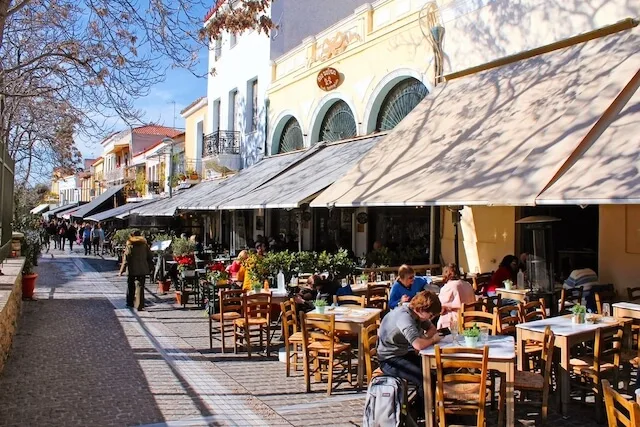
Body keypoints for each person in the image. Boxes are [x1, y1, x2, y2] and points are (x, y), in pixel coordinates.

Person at [377, 290, 442, 414]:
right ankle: (420, 413)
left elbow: (431, 328)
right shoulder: (404, 317)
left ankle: (424, 406)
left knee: (433, 372)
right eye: (432, 315)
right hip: (389, 359)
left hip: (403, 353)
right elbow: (417, 345)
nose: (432, 318)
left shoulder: (415, 312)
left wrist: (423, 339)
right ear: (421, 309)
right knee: (425, 379)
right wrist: (432, 340)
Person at [119, 230, 153, 310]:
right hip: (143, 268)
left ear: (132, 236)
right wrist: (150, 267)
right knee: (140, 286)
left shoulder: (130, 245)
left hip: (132, 269)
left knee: (130, 286)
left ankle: (130, 303)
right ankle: (139, 304)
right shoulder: (144, 245)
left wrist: (121, 270)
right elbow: (150, 257)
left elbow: (126, 259)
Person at [437, 263, 476, 329]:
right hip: (470, 317)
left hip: (456, 320)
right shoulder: (468, 284)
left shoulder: (448, 287)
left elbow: (439, 308)